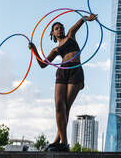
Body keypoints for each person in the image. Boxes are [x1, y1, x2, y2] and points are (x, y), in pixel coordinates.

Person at [29, 13, 97, 152]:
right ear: (53, 33)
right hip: (62, 71)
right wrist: (34, 50)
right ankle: (60, 142)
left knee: (66, 107)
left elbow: (80, 21)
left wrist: (88, 18)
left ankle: (61, 143)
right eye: (56, 28)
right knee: (59, 107)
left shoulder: (71, 35)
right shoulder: (55, 49)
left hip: (75, 71)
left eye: (61, 27)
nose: (60, 29)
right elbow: (43, 64)